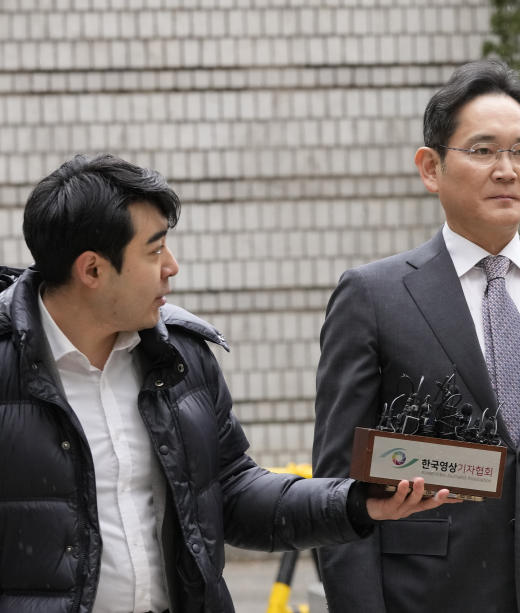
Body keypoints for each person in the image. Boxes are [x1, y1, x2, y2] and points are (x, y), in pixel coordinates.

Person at [0, 154, 456, 613]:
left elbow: (231, 494)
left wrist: (354, 502)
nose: (172, 266)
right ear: (93, 270)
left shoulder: (179, 357)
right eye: (155, 250)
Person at [312, 59, 520, 613]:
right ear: (431, 167)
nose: (507, 169)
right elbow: (339, 487)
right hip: (428, 596)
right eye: (483, 150)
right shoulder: (374, 296)